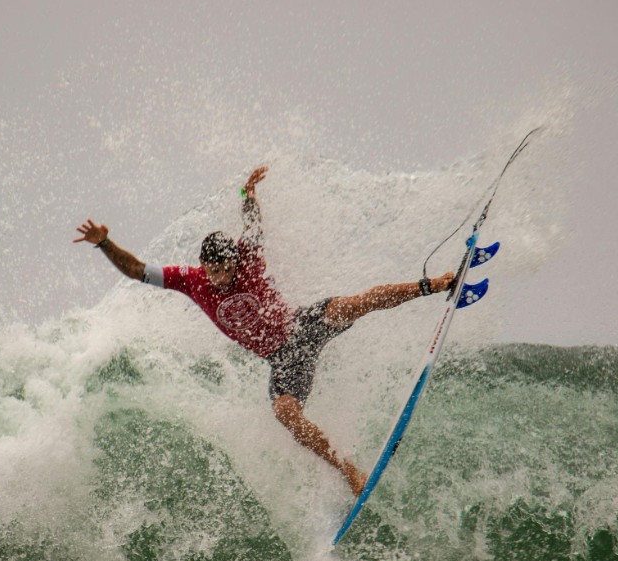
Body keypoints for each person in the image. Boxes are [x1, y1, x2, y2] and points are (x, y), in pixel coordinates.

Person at [74, 166, 455, 495]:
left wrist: (247, 194)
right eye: (215, 270)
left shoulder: (249, 256)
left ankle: (433, 285)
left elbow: (252, 221)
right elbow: (137, 270)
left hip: (302, 327)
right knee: (284, 412)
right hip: (282, 361)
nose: (223, 277)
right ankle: (350, 471)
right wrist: (105, 243)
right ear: (204, 267)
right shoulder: (190, 281)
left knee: (355, 302)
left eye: (227, 268)